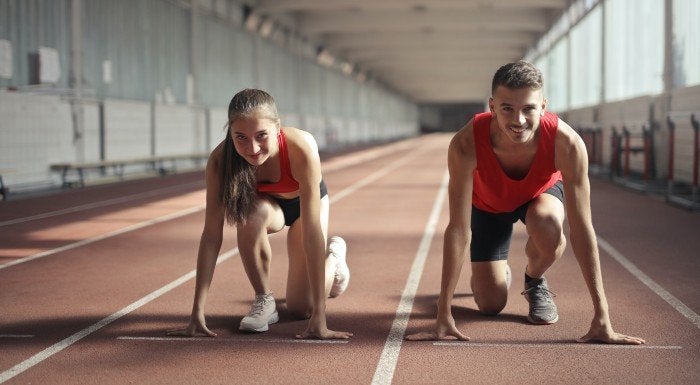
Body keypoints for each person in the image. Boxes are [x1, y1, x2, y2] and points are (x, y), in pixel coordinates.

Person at [406, 61, 645, 344]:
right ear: (492, 106)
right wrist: (443, 314)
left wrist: (602, 316)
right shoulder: (465, 143)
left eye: (528, 109)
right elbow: (458, 229)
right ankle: (494, 274)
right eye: (507, 108)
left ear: (543, 107)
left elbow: (582, 229)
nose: (518, 120)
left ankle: (534, 279)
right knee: (490, 304)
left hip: (538, 196)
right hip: (487, 205)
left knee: (549, 227)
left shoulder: (567, 144)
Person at [168, 89, 352, 340]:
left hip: (305, 205)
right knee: (249, 215)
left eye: (261, 136)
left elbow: (311, 232)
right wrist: (197, 313)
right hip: (268, 207)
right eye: (240, 137)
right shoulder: (220, 161)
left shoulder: (301, 147)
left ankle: (335, 259)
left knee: (302, 309)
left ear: (278, 127)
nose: (252, 148)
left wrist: (320, 317)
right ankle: (264, 301)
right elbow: (211, 236)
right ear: (230, 131)